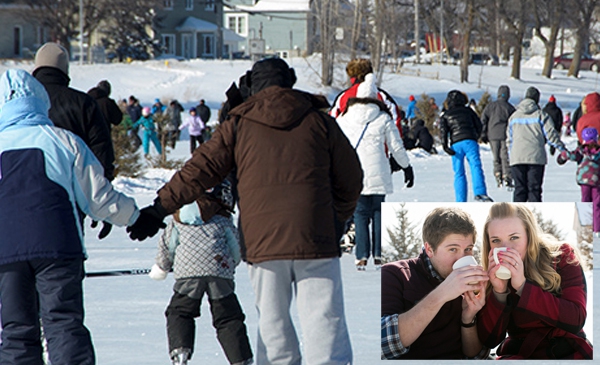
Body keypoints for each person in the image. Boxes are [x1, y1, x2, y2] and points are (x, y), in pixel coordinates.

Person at [126, 57, 363, 365]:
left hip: (262, 240)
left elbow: (199, 170)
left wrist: (159, 209)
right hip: (315, 234)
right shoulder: (319, 121)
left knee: (273, 322)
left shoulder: (238, 123)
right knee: (324, 319)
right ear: (289, 81)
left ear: (252, 86)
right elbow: (352, 178)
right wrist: (336, 218)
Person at [0, 68, 141, 365]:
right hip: (58, 248)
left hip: (6, 253)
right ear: (40, 100)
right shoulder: (64, 141)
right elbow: (99, 198)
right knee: (64, 325)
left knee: (16, 331)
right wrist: (133, 215)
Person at [149, 182, 253, 365]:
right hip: (219, 270)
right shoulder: (222, 217)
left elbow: (167, 247)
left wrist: (163, 267)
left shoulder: (178, 218)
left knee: (180, 311)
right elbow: (236, 248)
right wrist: (230, 264)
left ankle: (180, 353)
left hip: (188, 273)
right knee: (228, 316)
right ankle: (240, 359)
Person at [477, 203, 593, 359]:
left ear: (529, 236)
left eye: (514, 238)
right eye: (496, 241)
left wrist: (523, 287)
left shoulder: (561, 257)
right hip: (520, 354)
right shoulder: (489, 274)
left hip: (567, 350)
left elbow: (575, 318)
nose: (505, 248)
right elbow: (490, 339)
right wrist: (499, 292)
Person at [381, 206, 490, 359]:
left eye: (468, 249)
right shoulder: (395, 275)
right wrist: (441, 294)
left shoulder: (471, 286)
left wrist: (468, 318)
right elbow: (383, 345)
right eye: (453, 249)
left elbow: (477, 356)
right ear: (429, 249)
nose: (462, 258)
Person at [335, 73, 414, 271]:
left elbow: (336, 143)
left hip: (355, 172)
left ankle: (361, 256)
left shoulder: (345, 118)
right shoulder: (383, 118)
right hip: (379, 170)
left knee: (360, 213)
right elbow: (396, 147)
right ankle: (379, 254)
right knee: (379, 212)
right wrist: (406, 167)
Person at [33, 42, 115, 181]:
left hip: (23, 190)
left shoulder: (19, 102)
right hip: (75, 189)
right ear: (65, 70)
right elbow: (101, 151)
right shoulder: (83, 102)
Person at [507, 87, 565, 202]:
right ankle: (535, 217)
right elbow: (551, 135)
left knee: (519, 190)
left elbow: (509, 139)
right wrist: (561, 148)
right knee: (534, 190)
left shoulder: (513, 117)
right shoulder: (541, 115)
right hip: (536, 158)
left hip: (517, 157)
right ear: (537, 99)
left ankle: (517, 217)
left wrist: (511, 155)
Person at [440, 90, 493, 202]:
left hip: (455, 144)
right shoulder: (469, 111)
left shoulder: (446, 115)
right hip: (470, 141)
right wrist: (475, 136)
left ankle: (460, 200)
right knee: (475, 166)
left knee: (459, 173)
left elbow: (443, 131)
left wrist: (445, 145)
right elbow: (479, 125)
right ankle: (480, 193)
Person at [329, 59, 403, 129]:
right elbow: (395, 119)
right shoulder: (381, 95)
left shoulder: (342, 96)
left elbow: (332, 120)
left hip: (348, 139)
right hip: (377, 139)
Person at [557, 127, 600, 235]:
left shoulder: (581, 150)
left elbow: (570, 155)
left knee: (585, 202)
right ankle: (597, 229)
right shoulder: (598, 151)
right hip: (597, 180)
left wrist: (562, 155)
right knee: (597, 204)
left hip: (584, 180)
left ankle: (586, 226)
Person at [480, 85, 516, 189]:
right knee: (505, 156)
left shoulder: (490, 106)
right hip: (505, 135)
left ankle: (497, 174)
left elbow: (483, 119)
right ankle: (507, 175)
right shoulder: (509, 107)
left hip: (492, 135)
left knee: (496, 156)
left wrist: (483, 133)